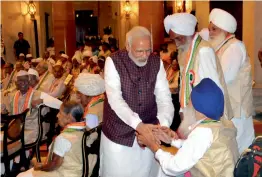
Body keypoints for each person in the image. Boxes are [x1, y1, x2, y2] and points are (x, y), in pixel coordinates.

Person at [100, 26, 174, 177]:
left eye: (148, 50)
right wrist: (138, 125)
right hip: (118, 134)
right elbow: (115, 99)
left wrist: (163, 125)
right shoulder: (113, 61)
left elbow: (164, 97)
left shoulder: (156, 62)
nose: (145, 55)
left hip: (149, 131)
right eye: (139, 51)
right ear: (127, 46)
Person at [137, 78, 239, 177]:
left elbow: (174, 167)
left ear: (199, 107)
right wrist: (172, 141)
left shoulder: (203, 132)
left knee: (163, 171)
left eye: (190, 102)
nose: (187, 106)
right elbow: (198, 148)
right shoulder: (223, 124)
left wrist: (154, 147)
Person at [164, 13, 233, 123]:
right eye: (173, 40)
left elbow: (212, 91)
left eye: (178, 38)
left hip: (205, 117)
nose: (176, 44)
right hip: (192, 115)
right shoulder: (184, 50)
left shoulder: (203, 51)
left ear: (187, 34)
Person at [208, 8, 255, 153]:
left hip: (237, 111)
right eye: (210, 29)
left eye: (214, 29)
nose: (210, 33)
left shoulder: (234, 47)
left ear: (225, 30)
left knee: (240, 151)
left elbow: (224, 77)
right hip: (228, 110)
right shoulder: (221, 46)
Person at [17, 101, 84, 177]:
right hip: (79, 171)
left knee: (21, 175)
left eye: (60, 113)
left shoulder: (64, 138)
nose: (57, 115)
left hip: (64, 174)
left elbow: (54, 165)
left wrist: (41, 167)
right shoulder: (84, 130)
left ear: (69, 117)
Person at [166, 51, 181, 131]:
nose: (173, 66)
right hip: (168, 96)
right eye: (172, 64)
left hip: (175, 98)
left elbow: (175, 85)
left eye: (175, 65)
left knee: (175, 116)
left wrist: (165, 86)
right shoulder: (170, 69)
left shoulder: (180, 72)